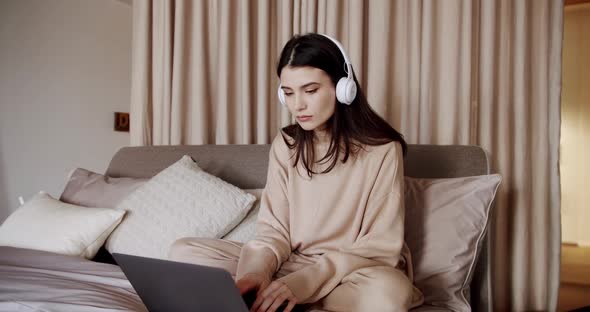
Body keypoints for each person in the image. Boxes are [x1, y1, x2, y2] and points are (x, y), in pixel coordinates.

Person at [169, 33, 424, 312]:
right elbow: (274, 230)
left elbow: (378, 246)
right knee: (184, 252)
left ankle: (281, 298)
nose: (297, 105)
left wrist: (303, 283)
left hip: (351, 270)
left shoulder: (383, 149)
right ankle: (276, 295)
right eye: (288, 93)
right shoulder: (287, 143)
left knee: (389, 293)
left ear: (343, 88)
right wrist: (256, 274)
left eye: (310, 90)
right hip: (292, 262)